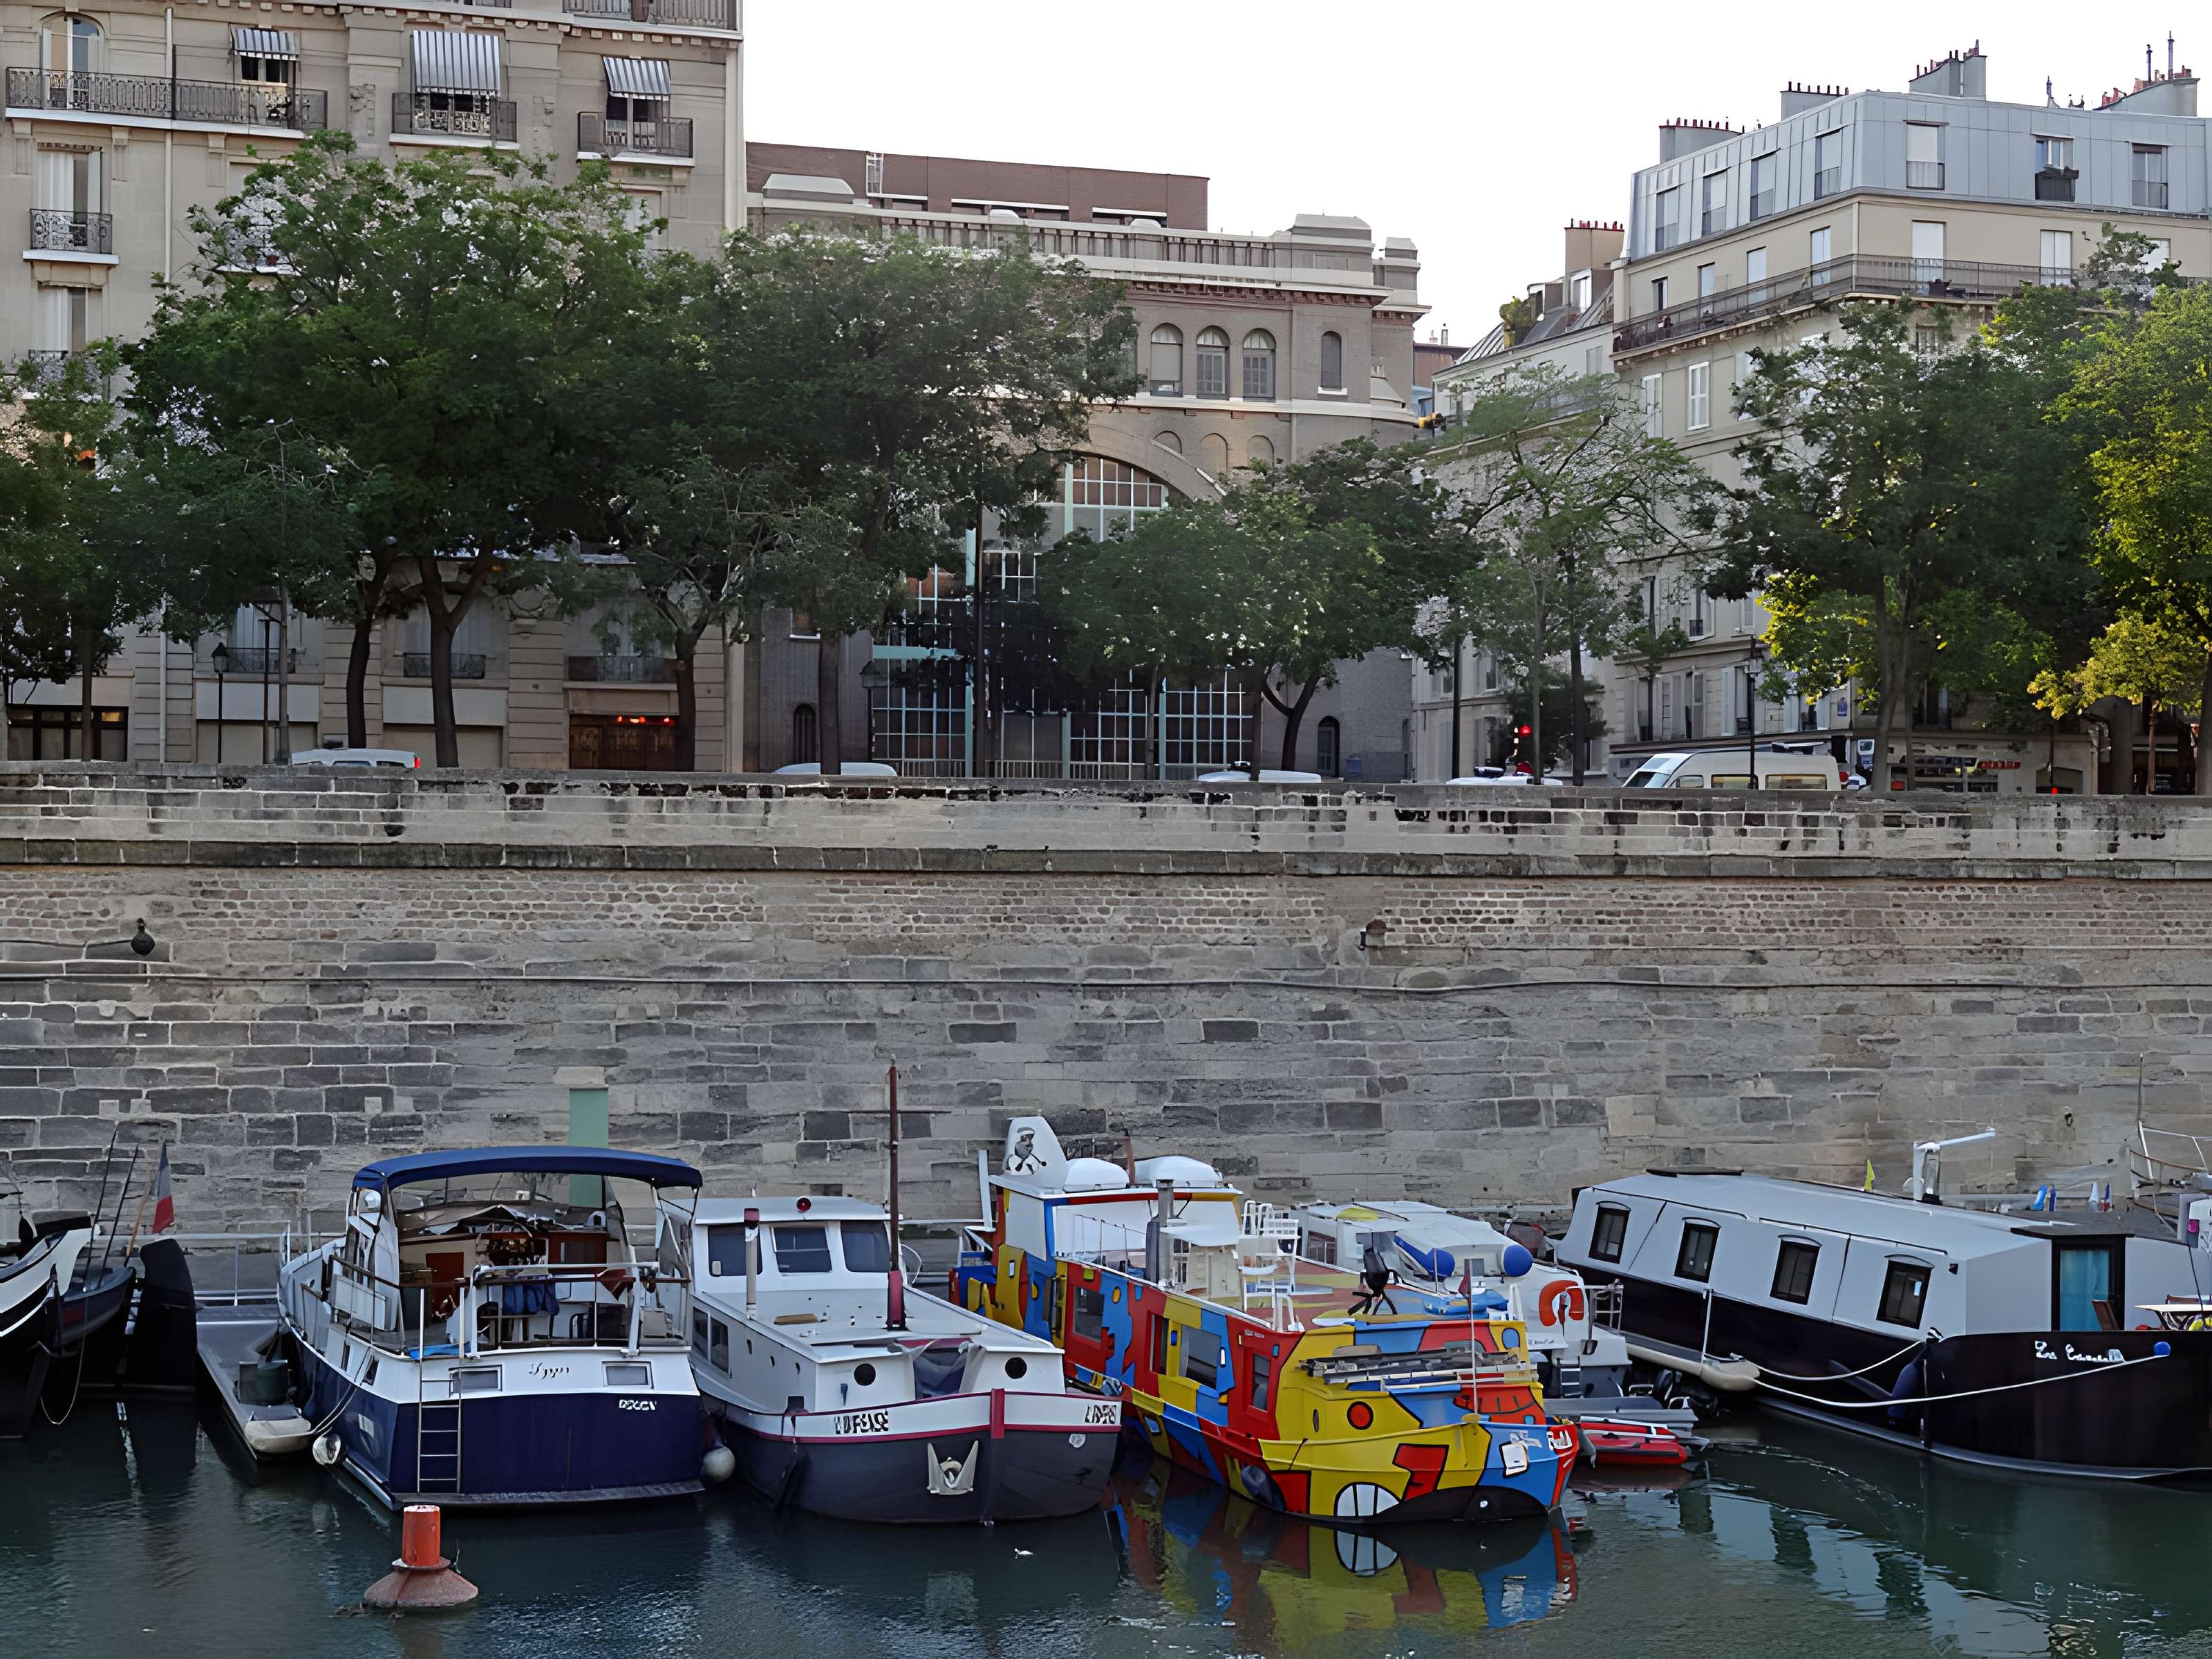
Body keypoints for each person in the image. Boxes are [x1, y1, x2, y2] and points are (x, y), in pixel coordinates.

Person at [1347, 1241, 1398, 1315]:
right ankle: (1360, 1312)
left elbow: (1364, 1274)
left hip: (1376, 1270)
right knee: (1371, 1255)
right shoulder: (1375, 1285)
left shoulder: (1376, 1285)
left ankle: (1360, 1312)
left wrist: (1361, 1283)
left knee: (1371, 1255)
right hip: (1376, 1270)